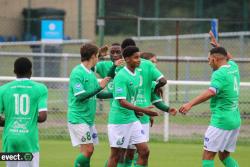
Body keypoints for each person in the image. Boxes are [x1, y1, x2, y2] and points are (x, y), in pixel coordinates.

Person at [179, 31, 241, 167]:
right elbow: (226, 56)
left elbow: (211, 92)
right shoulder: (233, 67)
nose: (208, 63)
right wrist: (217, 45)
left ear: (214, 59)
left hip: (221, 120)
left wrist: (190, 104)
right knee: (224, 156)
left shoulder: (219, 73)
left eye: (208, 60)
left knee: (208, 155)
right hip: (235, 119)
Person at [107, 46, 159, 167]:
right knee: (117, 156)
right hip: (119, 121)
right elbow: (122, 102)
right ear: (127, 59)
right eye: (136, 57)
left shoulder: (136, 74)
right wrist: (143, 110)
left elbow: (132, 99)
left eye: (139, 57)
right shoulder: (121, 76)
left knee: (144, 151)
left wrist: (138, 111)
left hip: (132, 119)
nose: (139, 60)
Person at [67, 43, 112, 167]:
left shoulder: (90, 73)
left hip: (88, 119)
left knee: (86, 151)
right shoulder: (77, 72)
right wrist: (99, 87)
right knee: (89, 149)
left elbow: (96, 95)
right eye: (98, 56)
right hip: (78, 117)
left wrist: (115, 95)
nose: (99, 58)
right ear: (93, 56)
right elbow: (80, 96)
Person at [0, 57, 48, 167]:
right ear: (31, 71)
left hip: (10, 139)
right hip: (28, 140)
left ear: (14, 71)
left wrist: (10, 121)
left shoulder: (3, 89)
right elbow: (42, 117)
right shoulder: (40, 88)